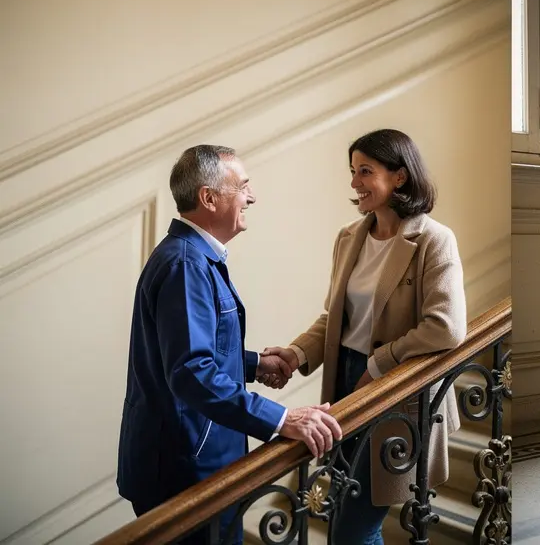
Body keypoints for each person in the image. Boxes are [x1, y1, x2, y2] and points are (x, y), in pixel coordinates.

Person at [116, 145, 344, 544]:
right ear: (209, 198)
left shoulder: (193, 257)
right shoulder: (185, 264)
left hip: (195, 459)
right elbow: (190, 371)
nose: (252, 197)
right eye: (243, 186)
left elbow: (192, 350)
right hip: (185, 470)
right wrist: (280, 419)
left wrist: (254, 365)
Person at [261, 128, 468, 545]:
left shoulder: (433, 240)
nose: (354, 183)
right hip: (343, 382)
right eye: (353, 171)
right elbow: (335, 318)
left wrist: (379, 364)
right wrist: (296, 353)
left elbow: (446, 326)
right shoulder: (348, 237)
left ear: (400, 177)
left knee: (354, 528)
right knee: (343, 515)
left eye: (365, 172)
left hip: (396, 391)